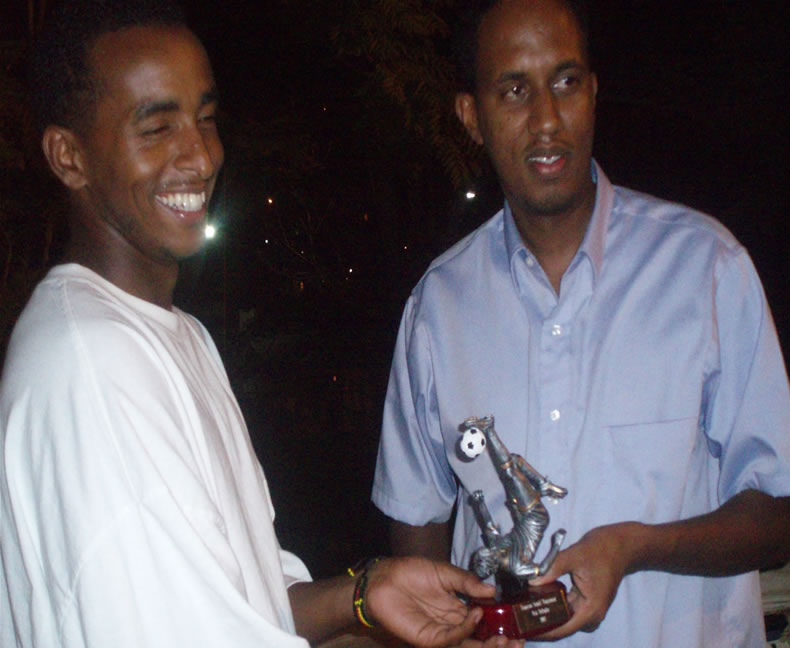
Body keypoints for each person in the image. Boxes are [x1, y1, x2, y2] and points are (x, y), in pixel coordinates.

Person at [0, 2, 523, 647]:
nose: (201, 155)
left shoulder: (175, 335)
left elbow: (248, 605)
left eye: (205, 118)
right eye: (156, 127)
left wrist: (364, 598)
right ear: (68, 156)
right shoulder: (92, 367)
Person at [371, 0, 790, 645]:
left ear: (593, 94)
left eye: (565, 82)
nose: (546, 119)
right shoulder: (438, 306)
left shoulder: (706, 269)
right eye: (515, 90)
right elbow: (415, 520)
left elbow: (780, 511)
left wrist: (636, 545)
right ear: (472, 117)